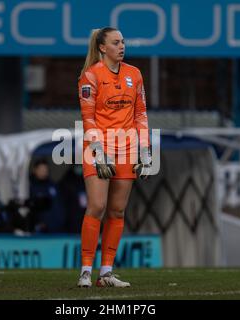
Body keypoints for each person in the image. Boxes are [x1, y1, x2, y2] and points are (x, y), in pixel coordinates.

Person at [77, 27, 152, 288]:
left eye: (123, 41)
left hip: (127, 148)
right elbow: (88, 118)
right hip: (98, 147)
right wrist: (98, 152)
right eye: (116, 42)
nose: (122, 46)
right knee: (97, 207)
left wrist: (144, 150)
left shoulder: (135, 74)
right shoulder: (90, 76)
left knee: (117, 210)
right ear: (102, 47)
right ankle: (86, 270)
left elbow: (140, 114)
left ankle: (105, 273)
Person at [28, 158, 65, 233]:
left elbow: (59, 206)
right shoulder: (30, 187)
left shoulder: (52, 186)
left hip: (57, 228)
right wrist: (38, 223)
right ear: (35, 170)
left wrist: (62, 220)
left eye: (45, 170)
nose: (43, 172)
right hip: (40, 230)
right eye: (41, 170)